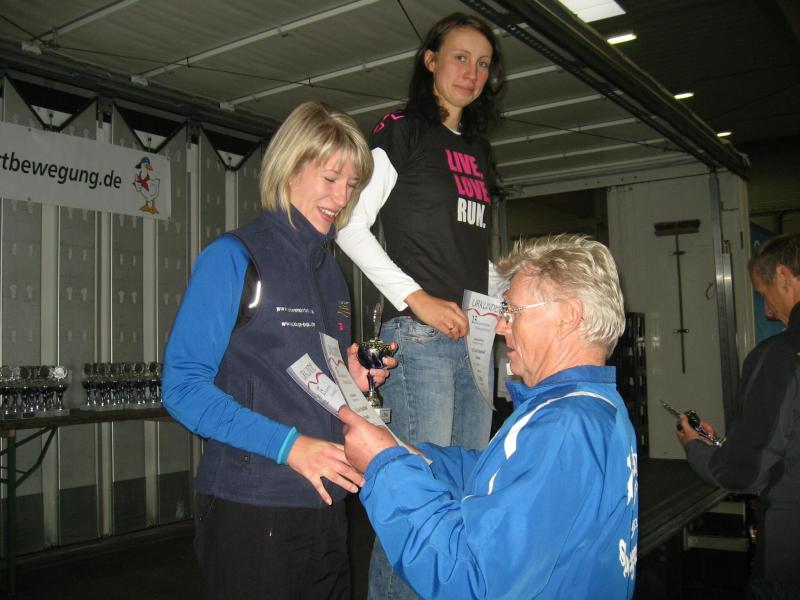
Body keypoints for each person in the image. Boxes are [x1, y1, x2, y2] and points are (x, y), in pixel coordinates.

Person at [162, 101, 394, 600]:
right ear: (290, 167)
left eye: (351, 185)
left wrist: (351, 381)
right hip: (253, 504)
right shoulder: (233, 257)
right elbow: (181, 389)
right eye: (330, 178)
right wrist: (289, 446)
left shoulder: (330, 274)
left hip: (327, 501)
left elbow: (304, 378)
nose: (341, 198)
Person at [341, 234, 640, 599]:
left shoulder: (565, 425)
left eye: (511, 312)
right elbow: (498, 477)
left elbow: (473, 578)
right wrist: (405, 454)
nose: (500, 326)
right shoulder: (598, 409)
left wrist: (387, 470)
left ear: (568, 316)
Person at [336, 14, 505, 596]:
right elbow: (349, 227)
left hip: (473, 342)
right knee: (413, 500)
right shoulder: (401, 130)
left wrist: (502, 303)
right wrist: (417, 299)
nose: (471, 72)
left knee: (466, 499)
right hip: (419, 338)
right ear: (430, 60)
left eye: (483, 63)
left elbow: (471, 251)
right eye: (460, 57)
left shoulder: (479, 150)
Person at [677, 232, 800, 600]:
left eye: (764, 293)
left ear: (784, 277)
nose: (767, 311)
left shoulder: (779, 356)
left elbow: (744, 472)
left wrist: (697, 447)